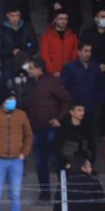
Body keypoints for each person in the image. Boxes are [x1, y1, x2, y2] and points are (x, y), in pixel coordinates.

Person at [26, 57, 71, 202]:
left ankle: (65, 193)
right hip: (36, 128)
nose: (28, 70)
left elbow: (67, 100)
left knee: (56, 161)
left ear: (39, 69)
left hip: (51, 128)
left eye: (31, 68)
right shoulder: (29, 83)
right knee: (40, 162)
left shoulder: (52, 81)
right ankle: (45, 194)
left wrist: (59, 118)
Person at [61, 43, 104, 137]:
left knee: (88, 135)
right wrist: (71, 103)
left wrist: (96, 101)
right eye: (86, 51)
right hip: (74, 109)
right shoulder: (69, 67)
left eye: (90, 51)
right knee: (73, 137)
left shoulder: (95, 68)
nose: (88, 53)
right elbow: (63, 87)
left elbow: (101, 87)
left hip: (90, 108)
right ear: (79, 52)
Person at [51, 100, 97, 172]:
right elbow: (55, 148)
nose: (82, 113)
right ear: (71, 112)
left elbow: (92, 147)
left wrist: (90, 162)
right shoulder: (64, 128)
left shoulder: (86, 128)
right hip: (68, 160)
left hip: (84, 161)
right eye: (79, 110)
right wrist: (66, 163)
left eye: (83, 110)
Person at [0, 7, 38, 78]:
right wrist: (11, 51)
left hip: (25, 61)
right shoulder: (1, 30)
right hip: (8, 62)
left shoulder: (27, 28)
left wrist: (22, 53)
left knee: (27, 81)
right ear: (7, 15)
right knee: (8, 81)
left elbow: (34, 46)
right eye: (12, 16)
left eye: (17, 15)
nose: (15, 18)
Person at [40, 9, 79, 77]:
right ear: (55, 20)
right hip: (51, 74)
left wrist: (70, 70)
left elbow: (74, 56)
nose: (64, 21)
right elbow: (44, 56)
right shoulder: (47, 36)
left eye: (66, 19)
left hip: (69, 74)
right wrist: (53, 71)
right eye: (61, 19)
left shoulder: (73, 36)